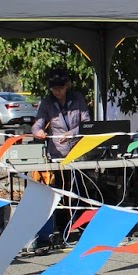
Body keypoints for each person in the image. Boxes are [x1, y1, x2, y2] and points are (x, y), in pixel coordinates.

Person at [30, 67, 90, 246]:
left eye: (60, 88)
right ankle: (63, 231)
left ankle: (82, 228)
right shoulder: (46, 102)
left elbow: (87, 124)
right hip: (57, 155)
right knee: (61, 193)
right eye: (54, 89)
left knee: (80, 191)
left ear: (67, 85)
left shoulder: (78, 98)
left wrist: (72, 133)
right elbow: (37, 123)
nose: (57, 92)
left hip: (79, 153)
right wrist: (38, 131)